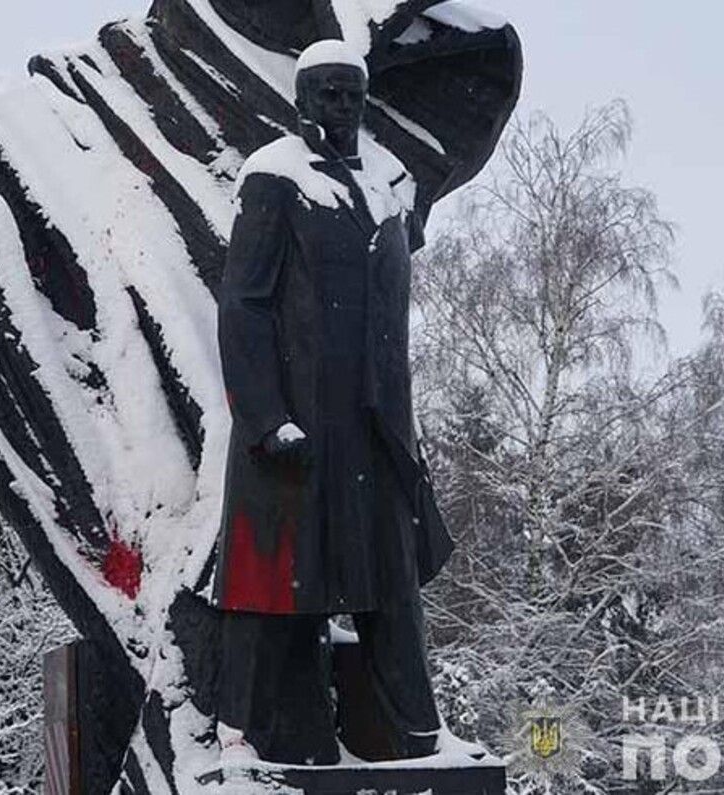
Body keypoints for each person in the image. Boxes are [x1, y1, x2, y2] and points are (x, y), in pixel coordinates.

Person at [212, 39, 463, 767]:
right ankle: (238, 739)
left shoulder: (389, 182)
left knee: (390, 583)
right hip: (296, 420)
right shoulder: (273, 178)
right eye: (326, 92)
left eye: (351, 92)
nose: (341, 105)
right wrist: (264, 419)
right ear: (300, 100)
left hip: (375, 421)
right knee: (272, 582)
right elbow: (244, 303)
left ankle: (422, 735)